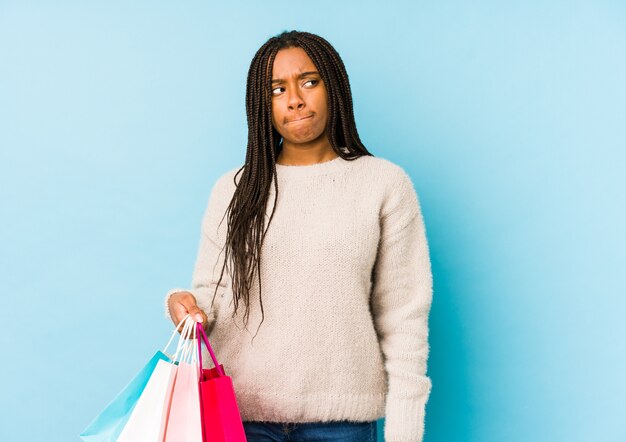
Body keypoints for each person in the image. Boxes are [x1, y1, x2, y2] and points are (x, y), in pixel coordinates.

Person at [164, 30, 433, 442]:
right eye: (277, 89)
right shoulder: (234, 190)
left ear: (334, 87)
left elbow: (403, 319)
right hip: (239, 420)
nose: (295, 99)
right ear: (262, 105)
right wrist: (185, 305)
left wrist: (405, 433)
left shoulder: (383, 185)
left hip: (342, 424)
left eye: (309, 82)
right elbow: (212, 295)